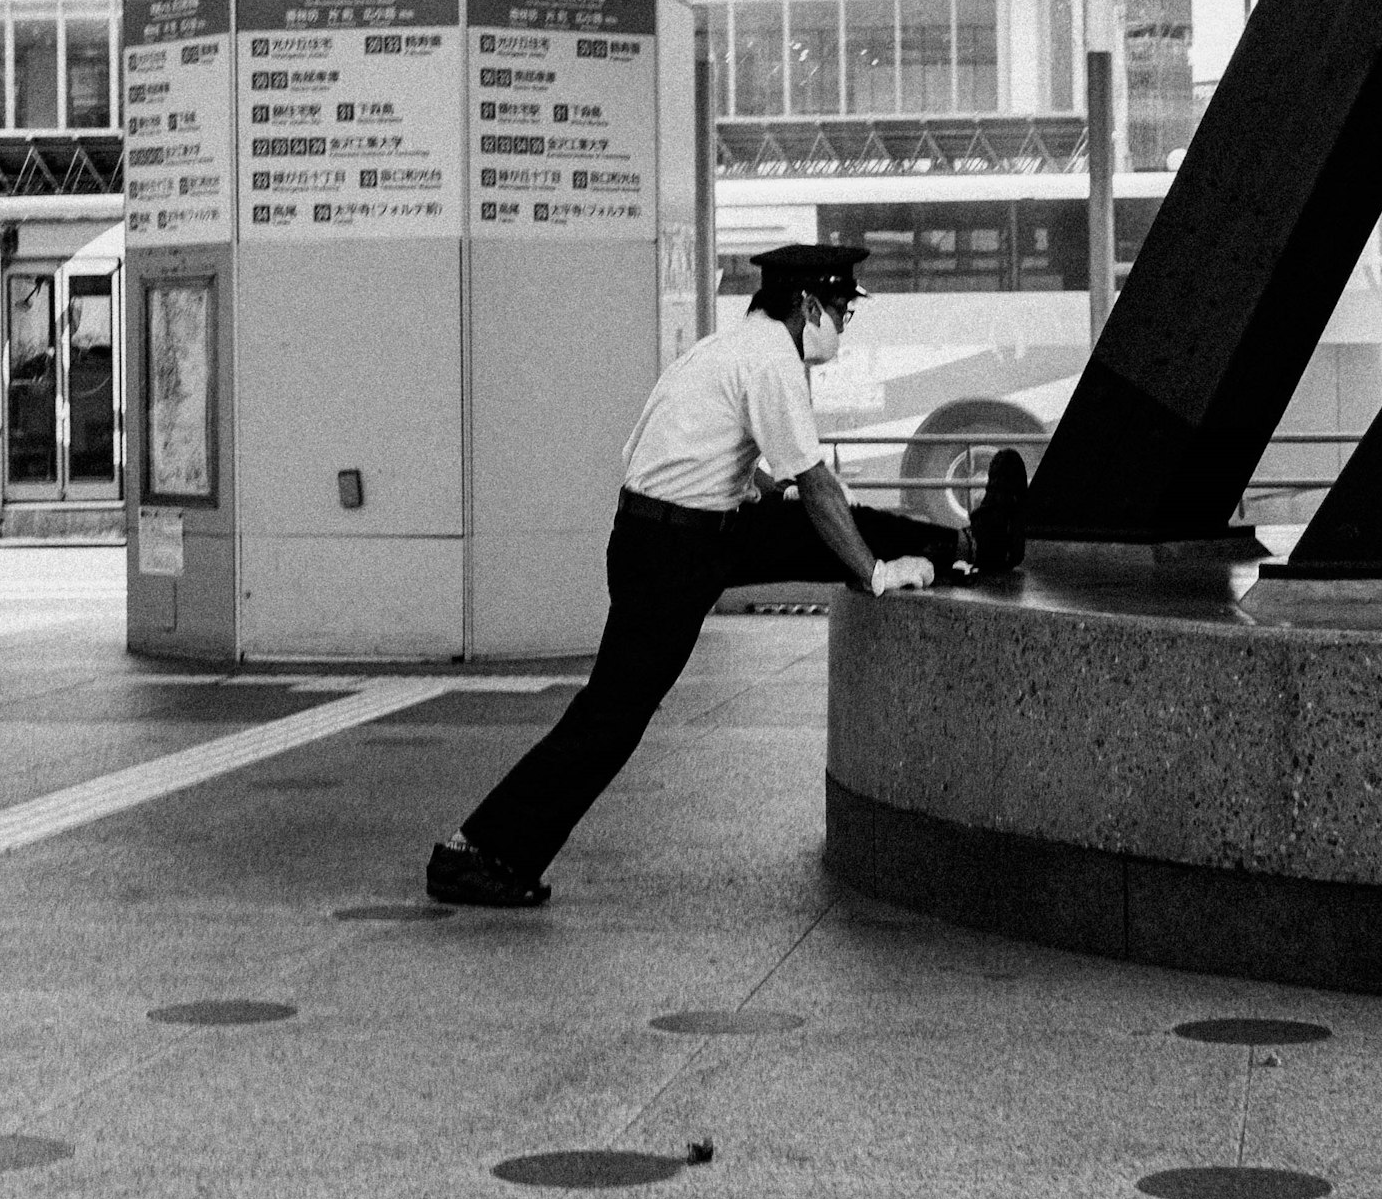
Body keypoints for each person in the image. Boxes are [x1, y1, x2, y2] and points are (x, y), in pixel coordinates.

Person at [424, 241, 1026, 908]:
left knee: (831, 521)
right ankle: (477, 852)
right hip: (670, 553)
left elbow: (728, 459)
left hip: (693, 532)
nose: (840, 325)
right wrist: (873, 573)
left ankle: (976, 541)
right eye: (837, 310)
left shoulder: (729, 348)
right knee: (611, 717)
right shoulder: (770, 360)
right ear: (805, 305)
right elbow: (818, 485)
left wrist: (776, 496)